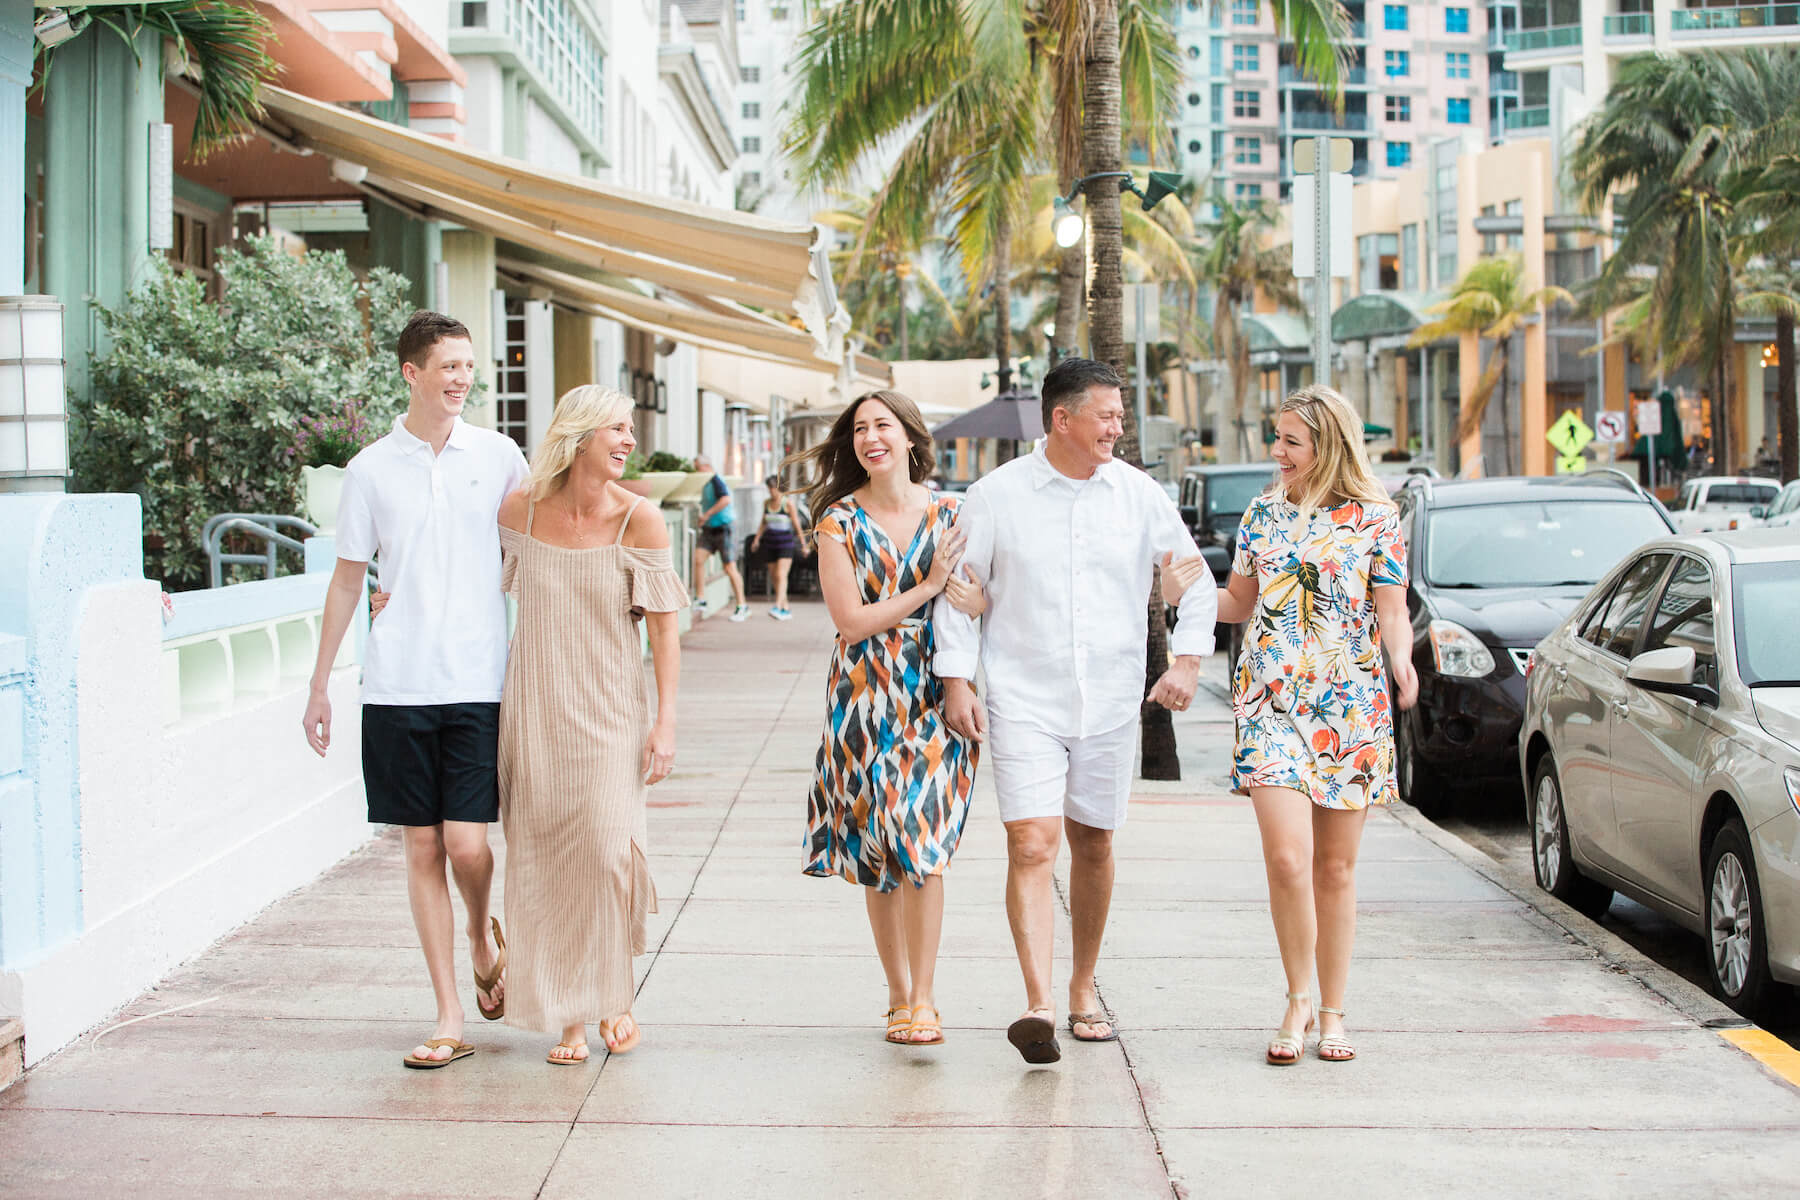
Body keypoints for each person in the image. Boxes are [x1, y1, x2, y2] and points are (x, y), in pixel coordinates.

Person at [934, 357, 1219, 1065]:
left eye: (1120, 416)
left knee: (1093, 843)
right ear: (1062, 419)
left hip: (1113, 698)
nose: (1118, 428)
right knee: (1032, 843)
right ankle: (1037, 1005)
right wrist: (957, 680)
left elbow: (1197, 580)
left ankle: (1082, 986)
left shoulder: (1139, 495)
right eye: (1108, 416)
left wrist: (1186, 660)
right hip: (1024, 695)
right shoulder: (996, 496)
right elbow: (960, 589)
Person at [1166, 384, 1418, 1065]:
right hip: (1272, 701)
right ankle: (1297, 997)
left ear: (1327, 446)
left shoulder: (1376, 519)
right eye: (1276, 439)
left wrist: (1402, 660)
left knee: (1336, 868)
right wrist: (1179, 592)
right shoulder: (1262, 515)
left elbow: (1391, 608)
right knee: (1286, 859)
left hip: (1351, 704)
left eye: (1290, 443)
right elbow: (1237, 601)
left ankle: (1333, 1011)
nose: (1276, 453)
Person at [301, 310, 526, 1070]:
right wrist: (321, 683)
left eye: (469, 366)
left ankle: (479, 931)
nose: (462, 378)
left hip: (479, 679)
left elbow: (535, 546)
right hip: (395, 684)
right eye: (449, 366)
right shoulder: (370, 469)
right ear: (412, 373)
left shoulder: (498, 457)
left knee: (468, 843)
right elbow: (347, 580)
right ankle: (447, 1011)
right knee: (420, 846)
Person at [496, 385, 685, 1065]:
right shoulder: (520, 509)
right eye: (618, 428)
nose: (630, 440)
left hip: (611, 711)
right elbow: (468, 579)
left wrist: (664, 722)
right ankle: (570, 1015)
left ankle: (614, 993)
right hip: (537, 707)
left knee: (607, 855)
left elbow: (665, 630)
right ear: (579, 437)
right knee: (545, 859)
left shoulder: (641, 520)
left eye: (630, 429)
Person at [799, 390, 986, 1048]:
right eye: (858, 429)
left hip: (934, 694)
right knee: (880, 851)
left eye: (882, 425)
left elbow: (986, 597)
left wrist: (969, 595)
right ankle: (899, 996)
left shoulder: (956, 512)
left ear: (910, 436)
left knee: (923, 846)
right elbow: (850, 623)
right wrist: (928, 588)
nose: (869, 437)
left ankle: (927, 999)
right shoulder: (837, 523)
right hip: (862, 697)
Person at [692, 454, 750, 621]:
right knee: (698, 559)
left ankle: (742, 605)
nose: (697, 472)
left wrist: (707, 515)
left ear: (706, 467)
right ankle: (701, 598)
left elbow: (725, 499)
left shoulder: (716, 480)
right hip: (710, 529)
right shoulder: (705, 483)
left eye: (698, 468)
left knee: (729, 567)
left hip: (725, 527)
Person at [751, 474, 808, 620]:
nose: (771, 492)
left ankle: (777, 605)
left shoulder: (787, 504)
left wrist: (803, 545)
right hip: (770, 543)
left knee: (781, 574)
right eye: (769, 489)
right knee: (774, 576)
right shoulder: (766, 504)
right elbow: (763, 523)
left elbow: (797, 525)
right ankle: (785, 607)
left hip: (785, 544)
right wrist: (756, 539)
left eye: (773, 488)